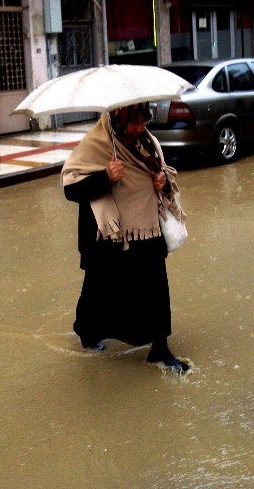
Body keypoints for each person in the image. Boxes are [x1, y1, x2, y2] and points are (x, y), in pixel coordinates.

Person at [62, 102, 189, 374]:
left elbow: (161, 172)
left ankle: (159, 348)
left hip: (146, 226)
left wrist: (162, 181)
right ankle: (86, 332)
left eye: (144, 122)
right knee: (98, 288)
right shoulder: (96, 144)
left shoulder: (148, 142)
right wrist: (105, 177)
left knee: (156, 283)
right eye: (135, 123)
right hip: (107, 234)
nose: (140, 128)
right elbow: (71, 189)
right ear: (119, 117)